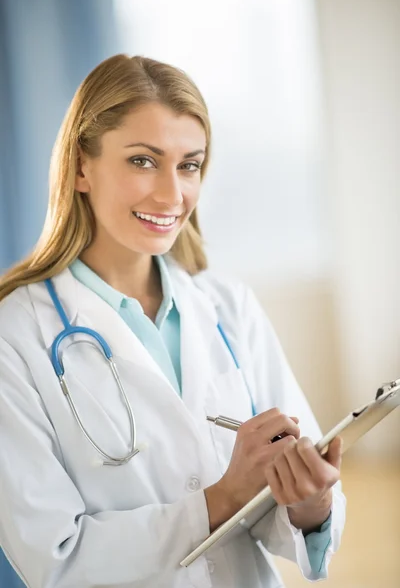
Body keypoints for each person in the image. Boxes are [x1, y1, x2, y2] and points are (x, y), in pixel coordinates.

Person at [0, 54, 345, 588]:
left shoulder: (229, 308)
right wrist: (221, 497)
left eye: (189, 165)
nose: (172, 194)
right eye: (143, 161)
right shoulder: (16, 335)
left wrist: (310, 503)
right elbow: (54, 560)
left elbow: (291, 518)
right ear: (80, 167)